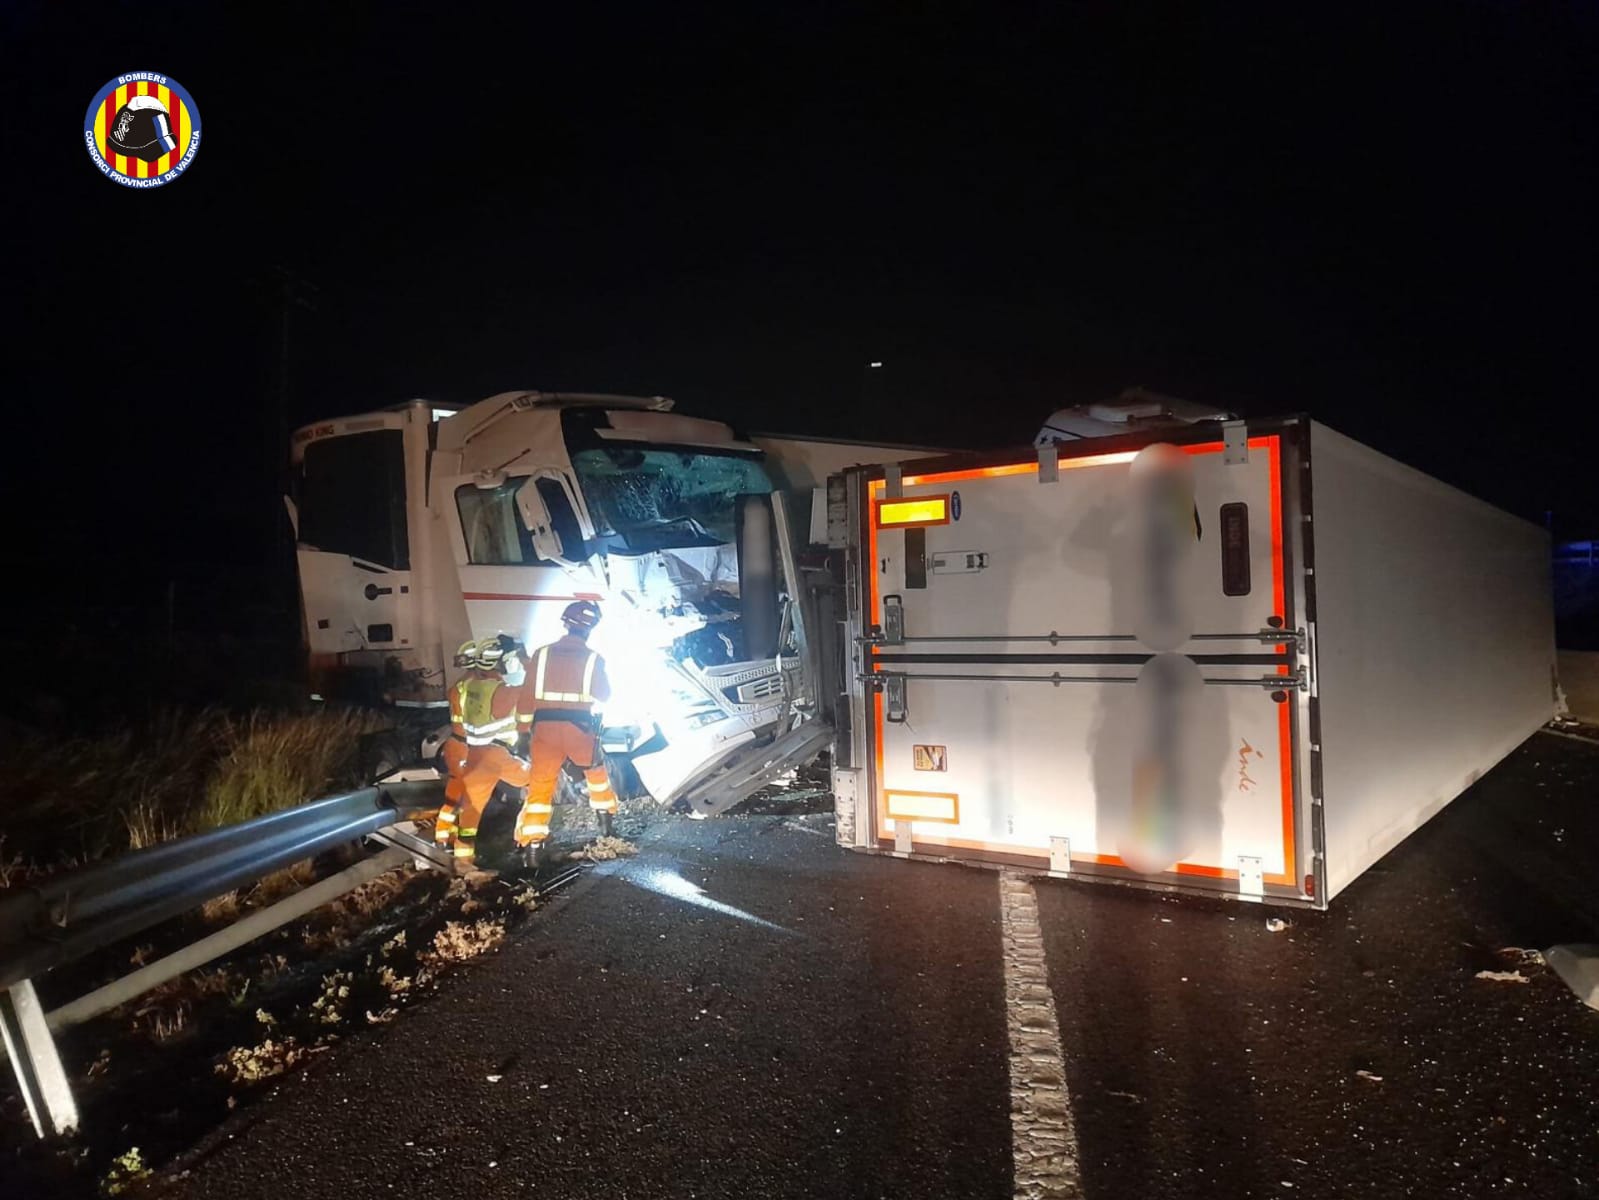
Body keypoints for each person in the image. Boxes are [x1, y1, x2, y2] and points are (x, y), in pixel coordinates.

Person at [517, 600, 617, 861]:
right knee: (596, 775)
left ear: (565, 623)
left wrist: (523, 730)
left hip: (545, 731)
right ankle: (606, 828)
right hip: (579, 729)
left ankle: (533, 850)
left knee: (540, 788)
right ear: (590, 629)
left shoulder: (542, 654)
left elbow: (526, 696)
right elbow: (604, 695)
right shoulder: (593, 658)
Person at [437, 636, 535, 874]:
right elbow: (534, 686)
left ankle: (462, 864)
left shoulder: (468, 687)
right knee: (539, 782)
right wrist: (522, 656)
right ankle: (526, 842)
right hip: (498, 756)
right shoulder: (502, 691)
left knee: (469, 813)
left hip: (474, 756)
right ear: (500, 663)